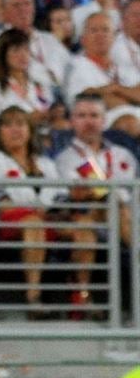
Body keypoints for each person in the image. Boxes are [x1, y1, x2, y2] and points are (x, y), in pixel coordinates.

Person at [0, 106, 64, 316]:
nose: (15, 130)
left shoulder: (46, 163)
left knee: (84, 230)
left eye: (20, 124)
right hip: (5, 223)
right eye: (8, 125)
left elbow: (62, 197)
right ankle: (33, 298)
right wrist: (37, 212)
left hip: (49, 220)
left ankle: (81, 297)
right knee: (33, 223)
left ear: (30, 130)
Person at [54, 93, 134, 312]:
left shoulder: (123, 155)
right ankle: (83, 295)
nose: (89, 121)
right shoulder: (63, 158)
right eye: (82, 116)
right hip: (86, 216)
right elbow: (63, 198)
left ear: (104, 120)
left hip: (126, 216)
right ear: (71, 121)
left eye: (94, 115)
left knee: (118, 206)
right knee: (91, 223)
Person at [63, 12, 140, 138]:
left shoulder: (122, 65)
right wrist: (129, 96)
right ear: (83, 38)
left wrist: (116, 88)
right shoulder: (77, 66)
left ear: (114, 37)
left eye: (105, 30)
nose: (100, 35)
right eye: (94, 30)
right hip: (102, 124)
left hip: (135, 115)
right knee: (129, 123)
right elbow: (86, 100)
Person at [0, 0, 71, 90]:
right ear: (3, 11)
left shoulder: (49, 39)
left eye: (27, 4)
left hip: (56, 97)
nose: (23, 9)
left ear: (34, 9)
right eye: (16, 5)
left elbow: (69, 71)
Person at [0, 28, 55, 125]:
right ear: (3, 55)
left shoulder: (41, 85)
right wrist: (27, 120)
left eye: (26, 49)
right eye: (16, 50)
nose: (23, 55)